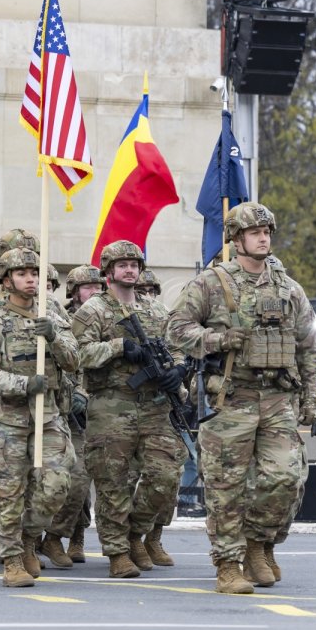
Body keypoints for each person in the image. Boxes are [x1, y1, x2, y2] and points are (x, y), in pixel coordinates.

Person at [166, 202, 316, 594]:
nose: (263, 238)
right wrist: (218, 339)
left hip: (278, 398)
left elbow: (308, 348)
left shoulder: (289, 289)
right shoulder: (212, 283)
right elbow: (175, 330)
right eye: (255, 232)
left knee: (286, 477)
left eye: (267, 232)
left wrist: (315, 398)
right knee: (226, 486)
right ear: (236, 239)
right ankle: (228, 564)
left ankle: (259, 542)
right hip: (230, 398)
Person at [73, 240, 187, 579]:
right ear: (108, 272)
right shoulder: (92, 310)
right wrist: (119, 347)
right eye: (122, 265)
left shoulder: (156, 311)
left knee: (166, 475)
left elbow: (176, 347)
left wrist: (177, 370)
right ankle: (118, 552)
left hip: (155, 405)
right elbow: (77, 354)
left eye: (134, 265)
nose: (129, 270)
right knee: (113, 482)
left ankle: (136, 533)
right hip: (112, 404)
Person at [0, 247, 79, 587]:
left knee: (57, 483)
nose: (31, 279)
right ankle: (12, 559)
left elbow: (74, 361)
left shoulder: (52, 318)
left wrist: (54, 338)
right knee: (9, 492)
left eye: (35, 273)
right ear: (7, 281)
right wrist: (24, 384)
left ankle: (30, 537)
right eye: (22, 274)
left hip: (47, 416)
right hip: (6, 420)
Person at [42, 264, 106, 568]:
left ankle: (68, 535)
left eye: (98, 286)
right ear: (74, 291)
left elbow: (88, 364)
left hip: (88, 409)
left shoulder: (104, 317)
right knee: (57, 480)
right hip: (54, 407)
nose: (94, 292)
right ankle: (35, 537)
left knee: (80, 479)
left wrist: (83, 391)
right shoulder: (61, 317)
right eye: (87, 287)